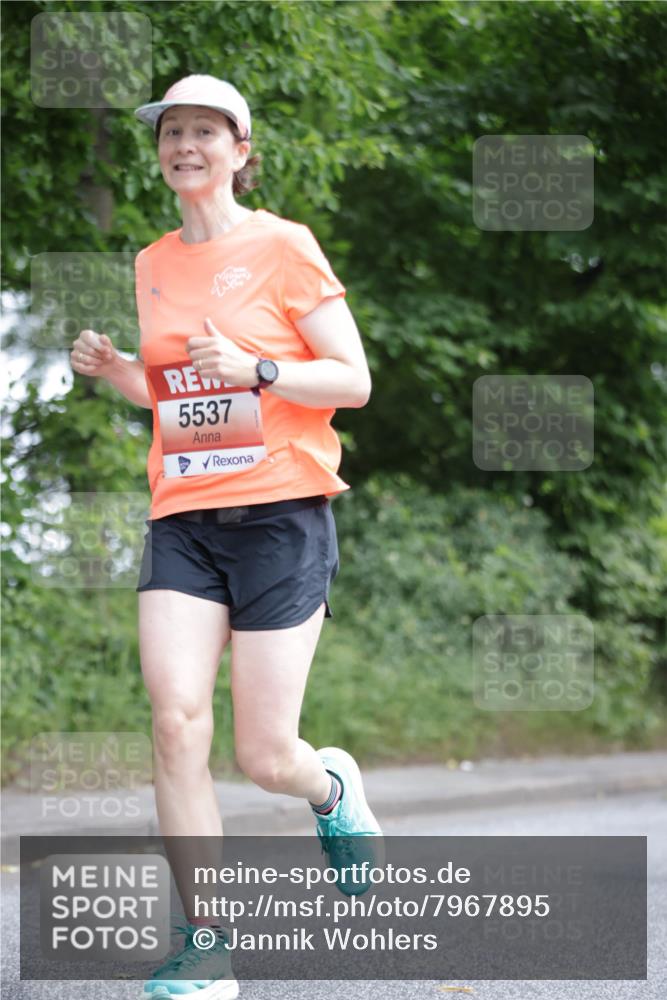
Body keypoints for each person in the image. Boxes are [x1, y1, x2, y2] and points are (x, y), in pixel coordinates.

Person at [69, 74, 383, 1000]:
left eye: (205, 131)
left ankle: (328, 788)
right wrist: (119, 370)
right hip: (184, 516)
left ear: (240, 150)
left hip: (282, 515)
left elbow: (353, 380)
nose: (185, 146)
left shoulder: (283, 245)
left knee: (265, 757)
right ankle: (206, 946)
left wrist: (260, 367)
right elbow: (177, 394)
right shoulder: (153, 261)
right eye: (172, 132)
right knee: (174, 722)